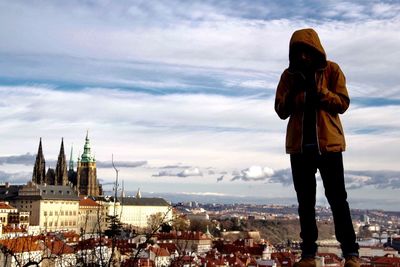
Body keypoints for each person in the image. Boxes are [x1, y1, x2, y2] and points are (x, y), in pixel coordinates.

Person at [275, 28, 360, 267]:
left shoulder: (332, 70)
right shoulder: (288, 77)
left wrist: (319, 92)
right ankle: (308, 255)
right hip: (300, 148)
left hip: (329, 146)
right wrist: (298, 95)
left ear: (316, 51)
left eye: (307, 51)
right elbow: (280, 109)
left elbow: (343, 103)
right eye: (298, 52)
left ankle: (351, 253)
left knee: (338, 200)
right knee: (305, 203)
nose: (303, 57)